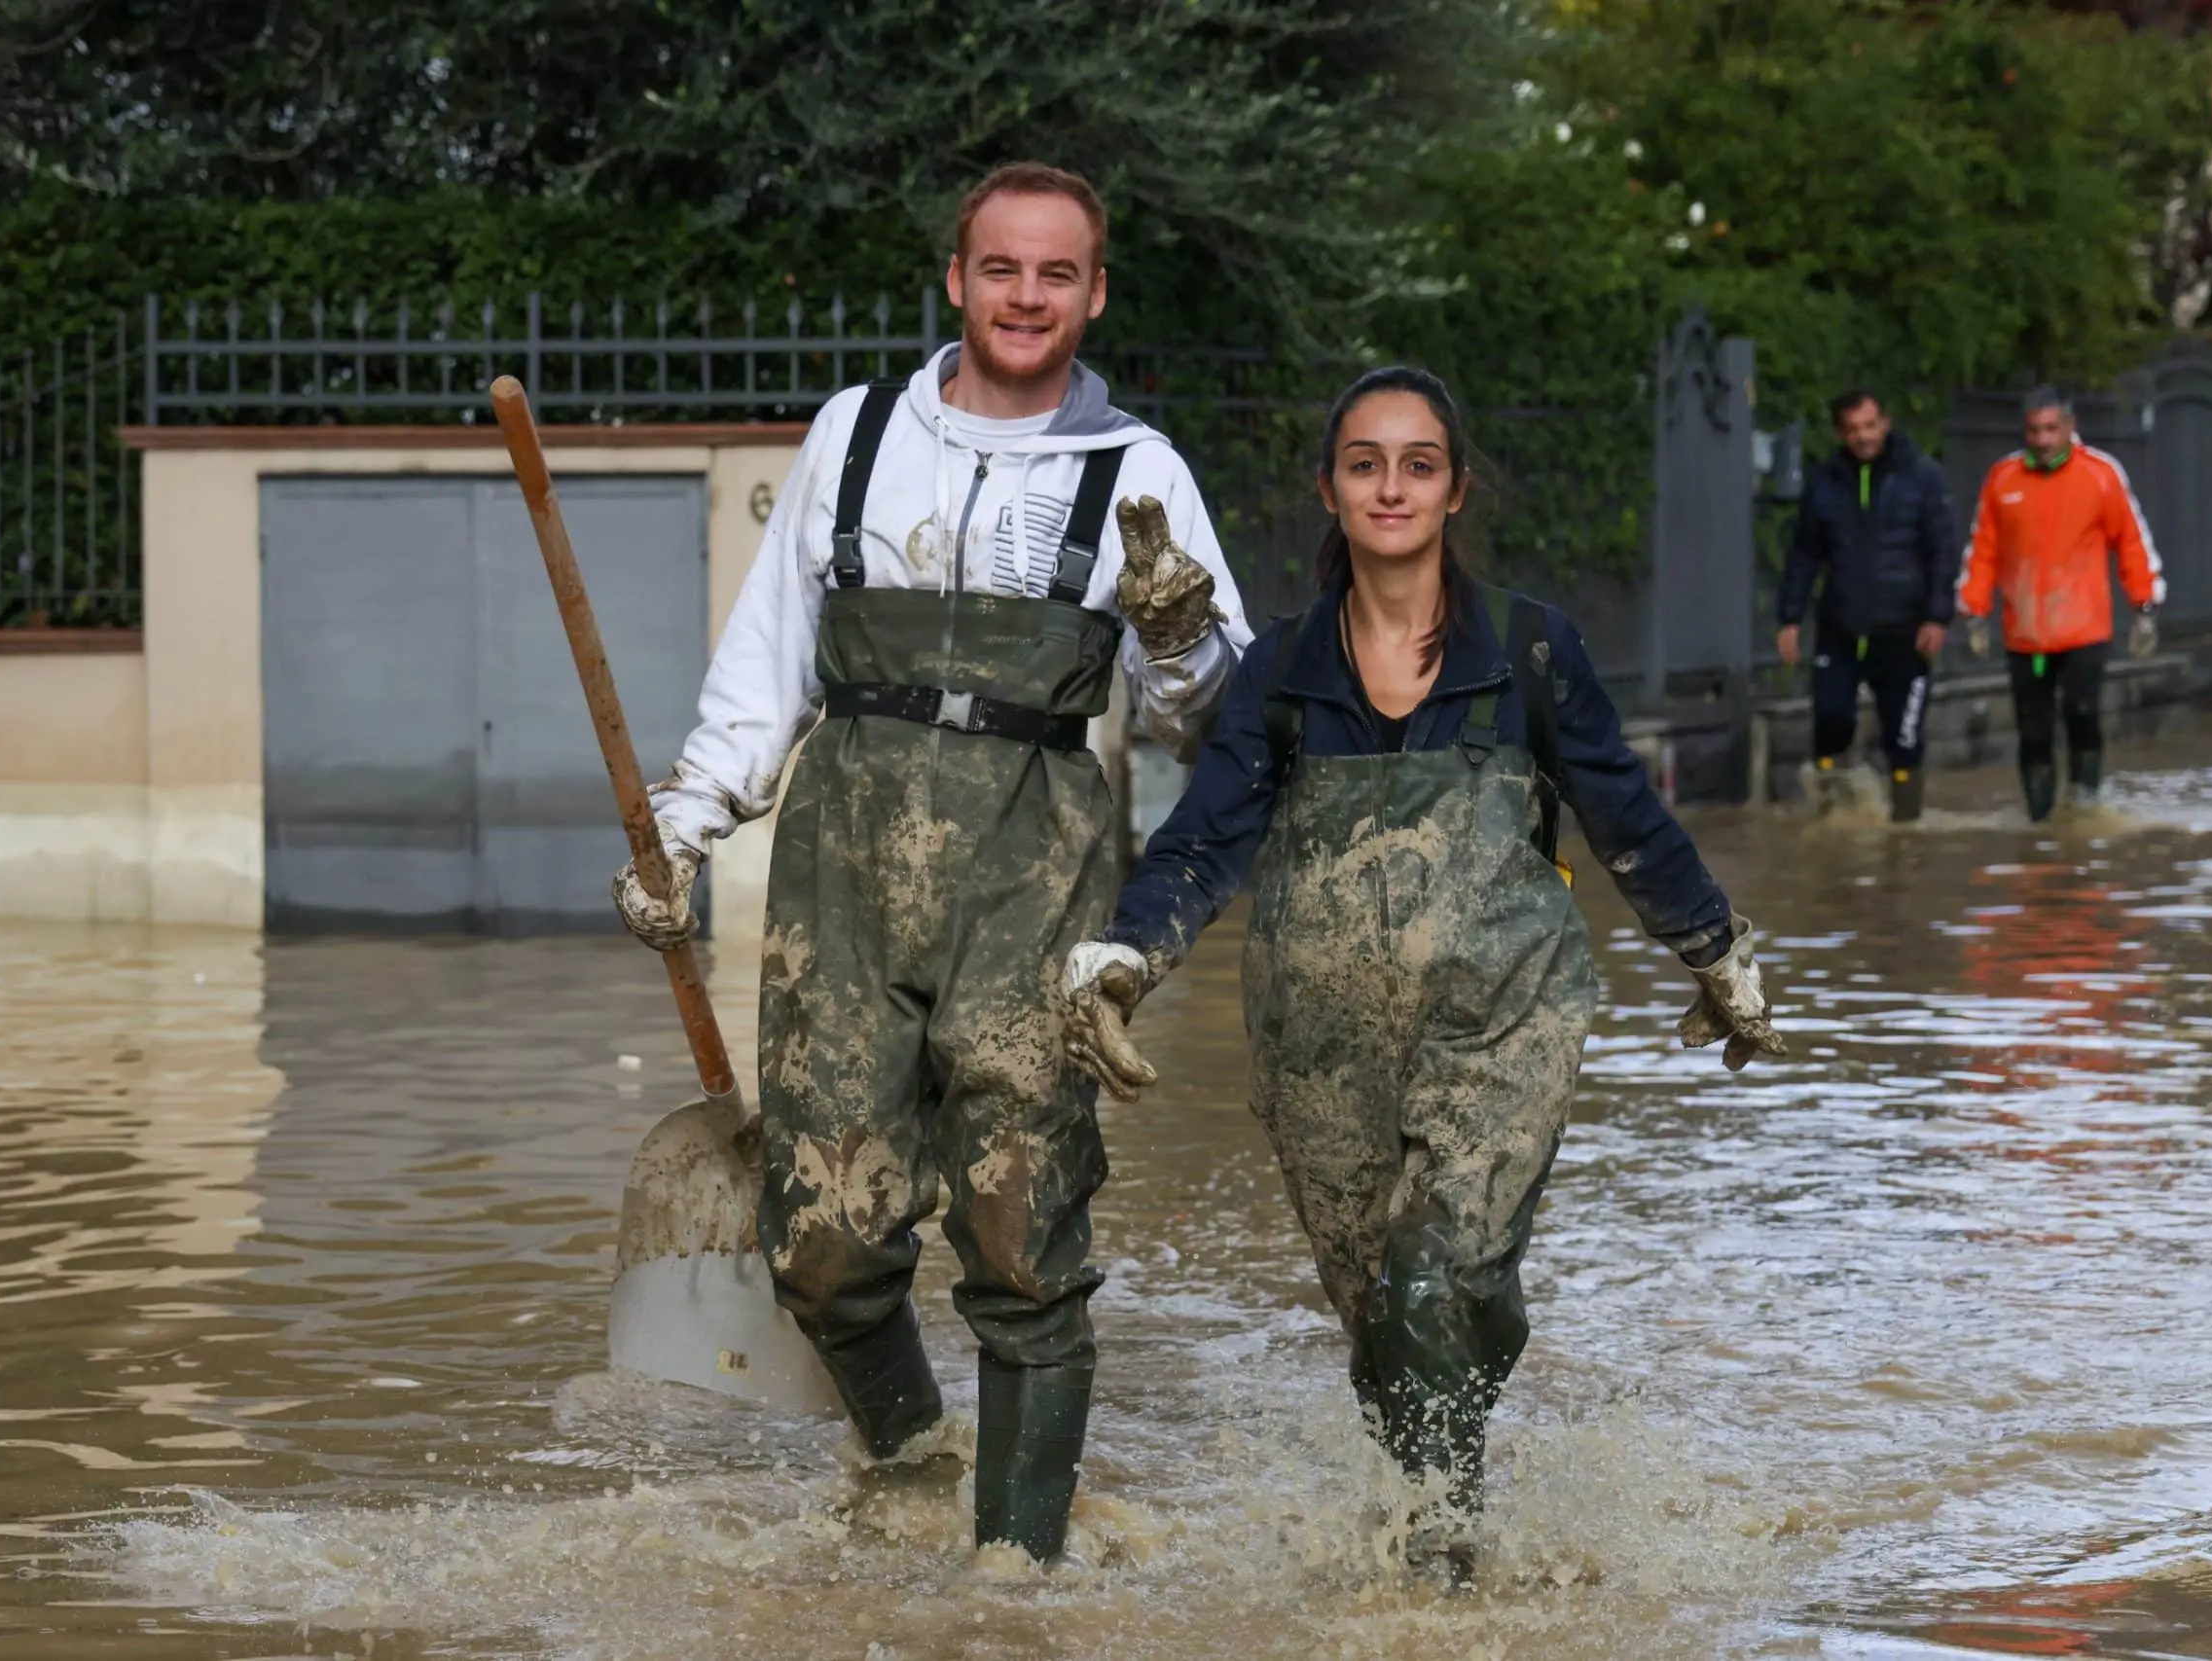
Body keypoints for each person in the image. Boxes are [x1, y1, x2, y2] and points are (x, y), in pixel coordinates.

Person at [611, 161, 1253, 1563]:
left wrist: (1173, 628)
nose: (1028, 296)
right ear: (957, 279)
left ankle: (1011, 1574)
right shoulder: (855, 434)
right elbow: (767, 660)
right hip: (839, 873)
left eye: (1058, 274)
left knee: (1024, 1238)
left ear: (1093, 294)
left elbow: (1215, 719)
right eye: (1003, 269)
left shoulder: (1139, 472)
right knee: (822, 1245)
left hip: (1039, 875)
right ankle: (911, 1464)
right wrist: (683, 824)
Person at [1056, 368, 1784, 1553]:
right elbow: (1203, 841)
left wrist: (1717, 949)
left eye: (1417, 463)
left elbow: (1623, 816)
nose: (1390, 485)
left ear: (1454, 491)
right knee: (1383, 1335)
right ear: (1330, 491)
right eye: (1364, 463)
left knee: (1428, 1284)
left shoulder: (1535, 653)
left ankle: (1439, 1578)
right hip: (1319, 1053)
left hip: (1504, 1024)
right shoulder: (1279, 674)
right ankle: (1437, 1529)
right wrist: (1128, 954)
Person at [1955, 387, 2164, 821]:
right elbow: (1983, 549)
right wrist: (1974, 610)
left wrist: (2144, 607)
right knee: (2033, 733)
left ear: (2071, 427)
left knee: (2082, 714)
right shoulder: (2003, 478)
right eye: (2034, 430)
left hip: (2084, 630)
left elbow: (2131, 541)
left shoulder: (2101, 474)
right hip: (2026, 634)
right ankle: (2040, 824)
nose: (2044, 440)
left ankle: (2085, 808)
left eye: (2052, 429)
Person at [1774, 388, 1959, 822]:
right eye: (1853, 429)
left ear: (1885, 423)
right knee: (1831, 720)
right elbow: (1805, 553)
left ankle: (1905, 831)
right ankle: (1832, 821)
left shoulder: (1922, 477)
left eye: (1869, 426)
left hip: (1904, 630)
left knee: (1904, 737)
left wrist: (1937, 615)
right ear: (1840, 432)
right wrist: (1790, 618)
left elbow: (1943, 551)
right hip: (1840, 627)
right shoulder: (1825, 480)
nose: (1863, 437)